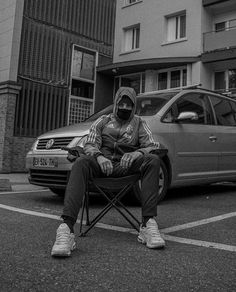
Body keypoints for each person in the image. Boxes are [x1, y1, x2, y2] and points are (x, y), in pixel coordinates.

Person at [51, 87, 165, 257]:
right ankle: (66, 229)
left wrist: (137, 153)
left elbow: (152, 145)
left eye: (129, 104)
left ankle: (147, 224)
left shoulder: (139, 122)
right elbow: (89, 144)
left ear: (133, 106)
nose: (125, 107)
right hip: (101, 166)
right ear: (116, 103)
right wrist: (98, 156)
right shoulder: (103, 121)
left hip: (125, 167)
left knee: (153, 159)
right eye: (122, 103)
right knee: (81, 162)